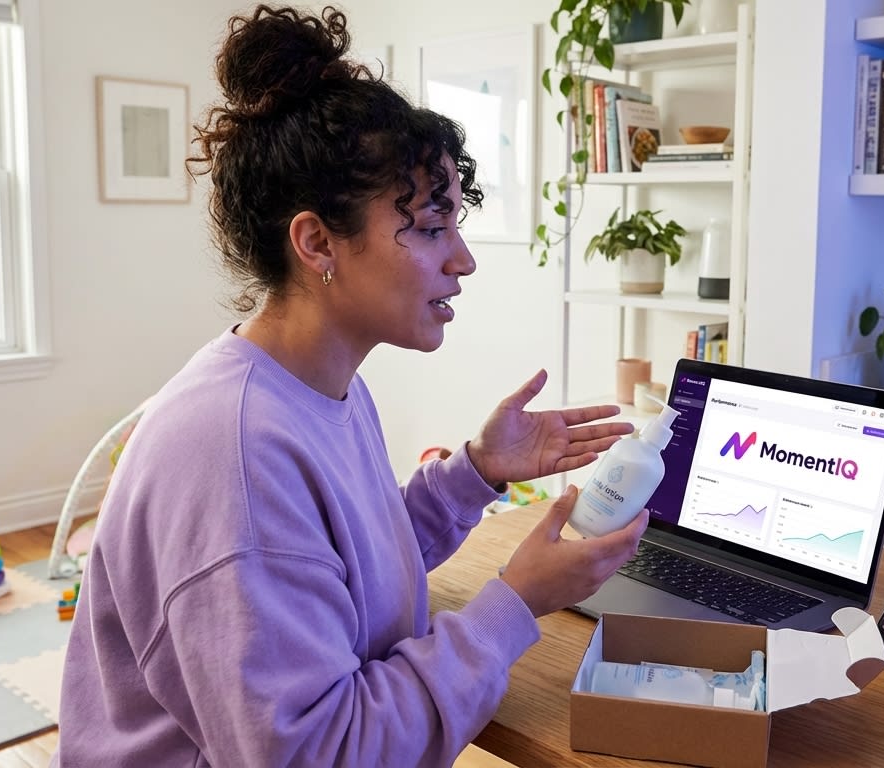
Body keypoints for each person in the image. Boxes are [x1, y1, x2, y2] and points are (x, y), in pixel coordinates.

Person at [53, 5, 647, 766]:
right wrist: (513, 603)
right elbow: (321, 753)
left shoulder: (315, 387)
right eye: (432, 229)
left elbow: (340, 576)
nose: (462, 259)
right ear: (316, 242)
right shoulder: (233, 454)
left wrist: (474, 473)